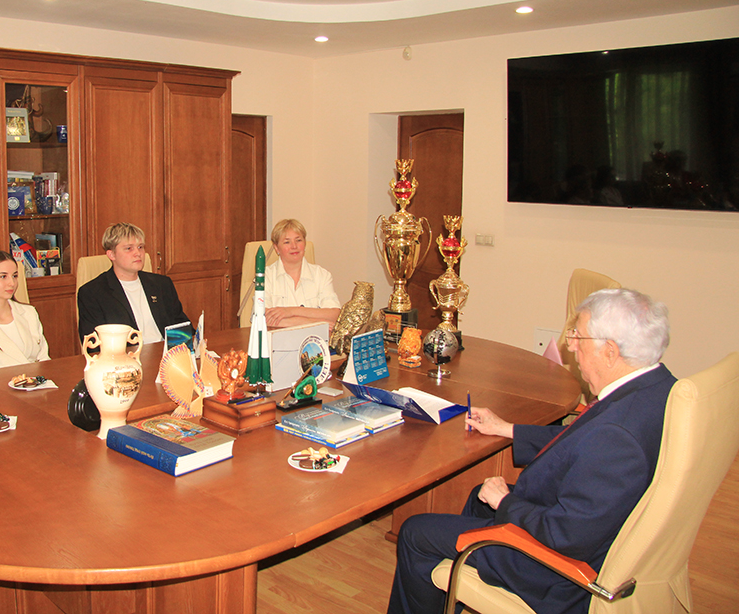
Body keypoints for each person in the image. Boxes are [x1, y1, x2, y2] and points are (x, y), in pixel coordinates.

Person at [388, 288, 674, 614]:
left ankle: (473, 566)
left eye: (578, 337)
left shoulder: (617, 437)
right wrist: (507, 429)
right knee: (479, 498)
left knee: (416, 532)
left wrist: (507, 503)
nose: (571, 346)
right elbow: (581, 440)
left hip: (553, 571)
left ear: (610, 351)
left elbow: (568, 536)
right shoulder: (655, 389)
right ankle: (463, 580)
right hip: (583, 525)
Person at [77, 222, 190, 343]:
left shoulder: (161, 284)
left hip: (166, 351)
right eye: (129, 248)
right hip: (126, 354)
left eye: (140, 247)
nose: (138, 253)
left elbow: (181, 328)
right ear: (111, 254)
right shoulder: (92, 293)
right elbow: (93, 344)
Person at [263, 218, 341, 329]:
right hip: (279, 339)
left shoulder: (322, 275)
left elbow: (334, 315)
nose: (294, 246)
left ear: (304, 243)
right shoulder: (266, 276)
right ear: (276, 248)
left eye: (298, 240)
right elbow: (264, 319)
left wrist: (290, 311)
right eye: (287, 242)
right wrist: (316, 322)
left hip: (314, 339)